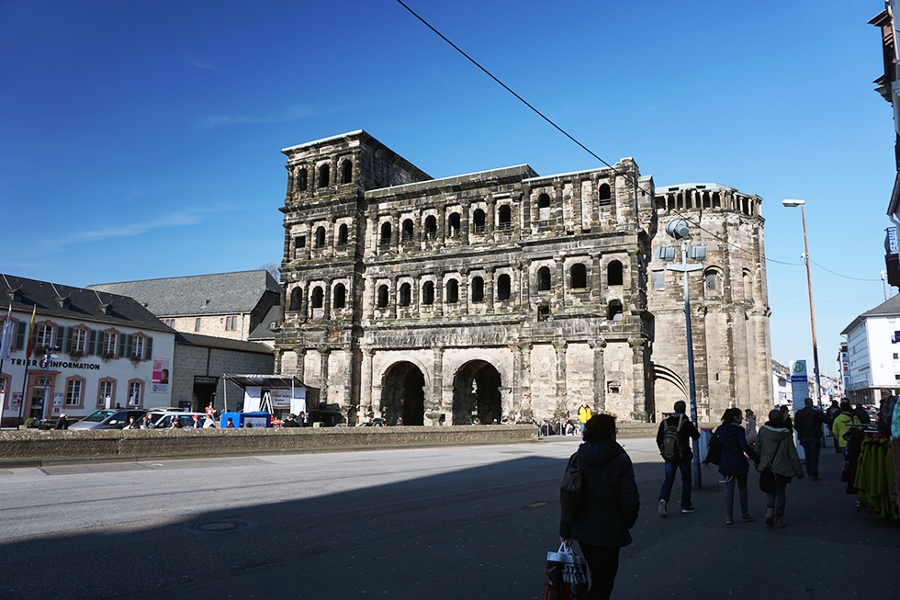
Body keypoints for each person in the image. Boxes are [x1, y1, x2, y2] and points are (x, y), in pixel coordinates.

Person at [560, 414, 640, 600]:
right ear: (612, 432)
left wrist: (566, 528)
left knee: (597, 578)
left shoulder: (577, 457)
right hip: (610, 530)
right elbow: (630, 499)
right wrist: (626, 522)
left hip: (583, 530)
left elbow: (568, 495)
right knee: (603, 584)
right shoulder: (620, 459)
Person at [756, 409, 805, 527]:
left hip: (767, 466)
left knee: (770, 490)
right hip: (782, 467)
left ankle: (769, 511)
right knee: (780, 492)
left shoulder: (763, 431)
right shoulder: (786, 433)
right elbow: (792, 454)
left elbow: (757, 448)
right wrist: (799, 471)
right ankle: (779, 518)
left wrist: (759, 463)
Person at [656, 400, 701, 517]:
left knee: (668, 479)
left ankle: (663, 499)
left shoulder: (665, 422)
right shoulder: (685, 422)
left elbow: (659, 439)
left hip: (669, 457)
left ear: (674, 409)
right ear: (684, 409)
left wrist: (664, 451)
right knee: (686, 480)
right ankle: (685, 505)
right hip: (683, 456)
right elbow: (696, 436)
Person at [715, 407, 759, 525]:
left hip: (726, 462)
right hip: (739, 462)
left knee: (729, 490)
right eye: (740, 416)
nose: (742, 418)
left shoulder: (721, 429)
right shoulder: (739, 430)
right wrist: (756, 458)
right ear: (736, 417)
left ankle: (728, 517)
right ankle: (745, 514)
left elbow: (712, 441)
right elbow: (744, 446)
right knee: (742, 488)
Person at [794, 397, 827, 480]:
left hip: (804, 437)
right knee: (814, 456)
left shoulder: (799, 413)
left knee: (808, 455)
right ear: (811, 403)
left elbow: (796, 426)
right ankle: (814, 473)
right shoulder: (816, 413)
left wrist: (801, 433)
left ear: (805, 403)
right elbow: (827, 420)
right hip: (814, 436)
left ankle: (809, 472)